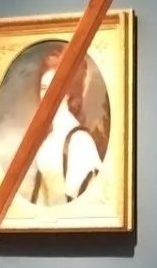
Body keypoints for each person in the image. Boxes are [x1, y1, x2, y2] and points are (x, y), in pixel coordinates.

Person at [26, 46, 104, 205]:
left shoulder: (80, 140)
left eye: (53, 88)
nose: (46, 95)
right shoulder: (48, 138)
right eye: (43, 88)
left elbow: (89, 203)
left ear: (67, 91)